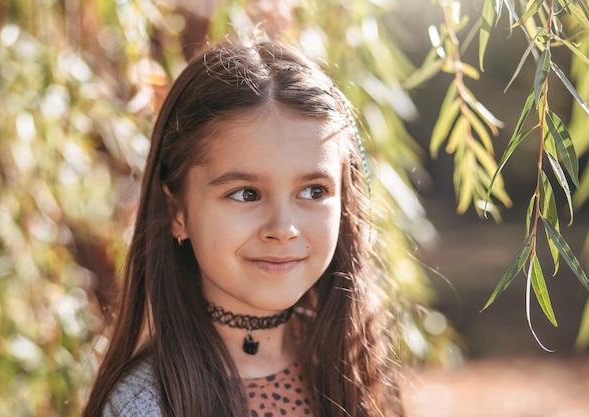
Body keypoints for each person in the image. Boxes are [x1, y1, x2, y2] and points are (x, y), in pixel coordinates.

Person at [82, 35, 403, 417]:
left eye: (314, 191)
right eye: (246, 194)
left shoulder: (355, 363)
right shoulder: (146, 405)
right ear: (177, 212)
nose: (283, 228)